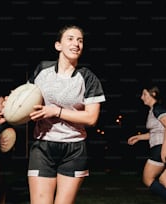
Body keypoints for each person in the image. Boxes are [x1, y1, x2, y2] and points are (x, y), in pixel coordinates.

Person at [26, 25, 106, 204]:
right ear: (58, 45)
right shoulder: (42, 70)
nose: (76, 44)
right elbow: (25, 100)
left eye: (80, 40)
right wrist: (10, 105)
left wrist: (57, 111)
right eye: (70, 39)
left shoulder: (88, 78)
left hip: (74, 149)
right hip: (43, 146)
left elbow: (91, 118)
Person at [127, 85, 166, 204]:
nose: (142, 98)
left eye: (144, 94)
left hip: (160, 149)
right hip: (161, 147)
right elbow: (154, 133)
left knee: (147, 179)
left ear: (153, 95)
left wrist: (164, 148)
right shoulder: (153, 110)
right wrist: (138, 137)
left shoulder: (158, 108)